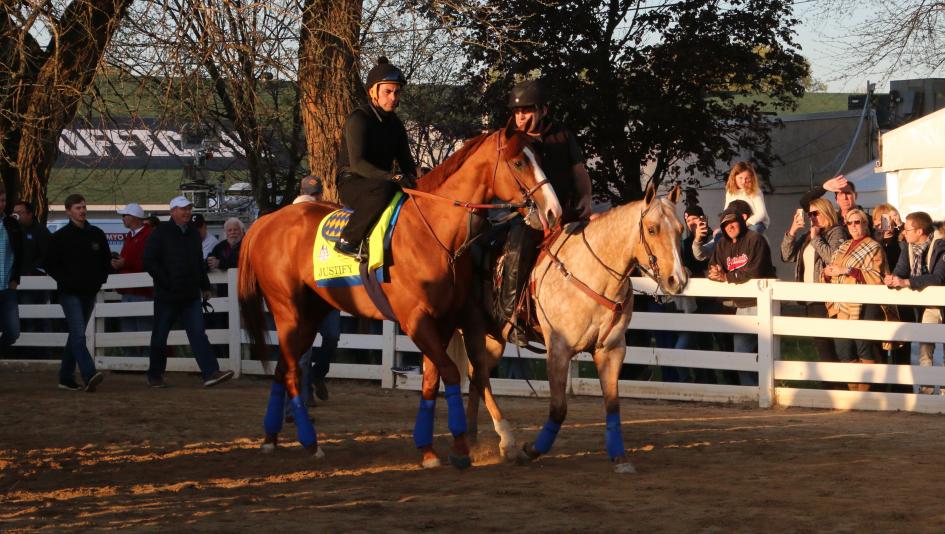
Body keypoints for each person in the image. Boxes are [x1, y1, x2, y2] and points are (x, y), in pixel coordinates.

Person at [496, 79, 594, 346]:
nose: (520, 117)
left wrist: (586, 196)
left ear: (543, 111)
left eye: (526, 110)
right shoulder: (511, 140)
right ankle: (511, 317)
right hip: (528, 214)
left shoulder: (562, 136)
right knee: (517, 248)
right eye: (516, 111)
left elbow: (579, 172)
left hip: (567, 212)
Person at [143, 196, 233, 388]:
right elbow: (149, 261)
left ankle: (210, 372)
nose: (187, 212)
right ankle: (155, 374)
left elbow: (197, 263)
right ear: (173, 211)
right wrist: (166, 282)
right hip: (168, 295)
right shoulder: (160, 233)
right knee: (160, 336)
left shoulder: (192, 234)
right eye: (183, 209)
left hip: (190, 294)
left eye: (189, 209)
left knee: (198, 334)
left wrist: (205, 286)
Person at [334, 57, 417, 260]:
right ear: (373, 92)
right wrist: (392, 178)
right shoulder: (358, 119)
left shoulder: (396, 124)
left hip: (382, 182)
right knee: (388, 189)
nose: (393, 98)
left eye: (396, 92)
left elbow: (407, 162)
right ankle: (348, 240)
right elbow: (358, 164)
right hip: (353, 182)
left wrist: (418, 181)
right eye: (387, 92)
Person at [44, 194, 109, 392]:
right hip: (69, 293)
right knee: (79, 335)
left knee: (75, 335)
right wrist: (66, 281)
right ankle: (89, 374)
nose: (82, 210)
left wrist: (100, 280)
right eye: (77, 208)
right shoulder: (60, 237)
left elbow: (105, 260)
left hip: (89, 291)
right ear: (68, 211)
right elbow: (49, 264)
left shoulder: (97, 234)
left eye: (83, 207)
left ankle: (66, 377)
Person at [707, 206, 776, 386]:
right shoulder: (722, 244)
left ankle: (763, 391)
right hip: (740, 306)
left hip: (759, 303)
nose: (730, 226)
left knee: (762, 353)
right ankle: (752, 392)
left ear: (741, 222)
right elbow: (713, 266)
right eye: (725, 224)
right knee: (742, 355)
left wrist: (726, 276)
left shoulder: (755, 240)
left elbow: (755, 271)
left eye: (733, 222)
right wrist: (714, 272)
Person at [822, 209, 888, 390]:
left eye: (857, 222)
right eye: (850, 223)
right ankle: (854, 393)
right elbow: (832, 270)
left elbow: (876, 276)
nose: (853, 226)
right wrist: (827, 273)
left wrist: (847, 271)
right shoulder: (843, 246)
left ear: (865, 224)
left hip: (865, 303)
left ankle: (865, 394)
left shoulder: (874, 246)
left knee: (863, 346)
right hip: (842, 303)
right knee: (843, 348)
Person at [290, 175, 340, 404]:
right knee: (306, 346)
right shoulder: (294, 219)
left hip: (324, 291)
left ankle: (317, 375)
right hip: (306, 292)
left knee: (331, 336)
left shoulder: (325, 217)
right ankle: (304, 392)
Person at [780, 198, 847, 368]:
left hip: (826, 297)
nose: (812, 218)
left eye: (815, 213)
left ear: (826, 211)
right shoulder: (808, 236)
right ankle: (833, 385)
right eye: (809, 214)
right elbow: (787, 256)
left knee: (828, 346)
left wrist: (816, 239)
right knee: (821, 345)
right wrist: (793, 231)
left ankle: (836, 386)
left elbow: (833, 258)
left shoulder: (836, 232)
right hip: (810, 297)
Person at [883, 211, 945, 394]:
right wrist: (892, 280)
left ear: (920, 231)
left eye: (907, 229)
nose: (904, 232)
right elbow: (900, 271)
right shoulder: (908, 248)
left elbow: (938, 278)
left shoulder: (941, 246)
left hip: (941, 302)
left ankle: (943, 390)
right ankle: (926, 389)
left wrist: (907, 282)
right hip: (928, 306)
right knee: (925, 346)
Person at [112, 203, 153, 357]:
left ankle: (147, 359)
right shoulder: (131, 236)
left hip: (142, 290)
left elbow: (149, 262)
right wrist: (118, 264)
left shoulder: (148, 235)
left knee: (144, 327)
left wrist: (125, 263)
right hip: (128, 288)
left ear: (134, 217)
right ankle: (131, 359)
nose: (123, 219)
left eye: (125, 216)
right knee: (128, 326)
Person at [0, 184, 23, 349]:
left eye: (3, 200)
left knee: (13, 331)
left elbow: (20, 253)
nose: (1, 204)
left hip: (7, 287)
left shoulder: (11, 224)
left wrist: (16, 279)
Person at [724, 162, 769, 233]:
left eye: (747, 178)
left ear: (751, 178)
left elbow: (761, 214)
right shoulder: (730, 192)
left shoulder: (755, 191)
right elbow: (727, 211)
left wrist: (745, 224)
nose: (743, 181)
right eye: (740, 178)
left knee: (749, 234)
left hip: (755, 222)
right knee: (719, 235)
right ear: (734, 177)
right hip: (737, 224)